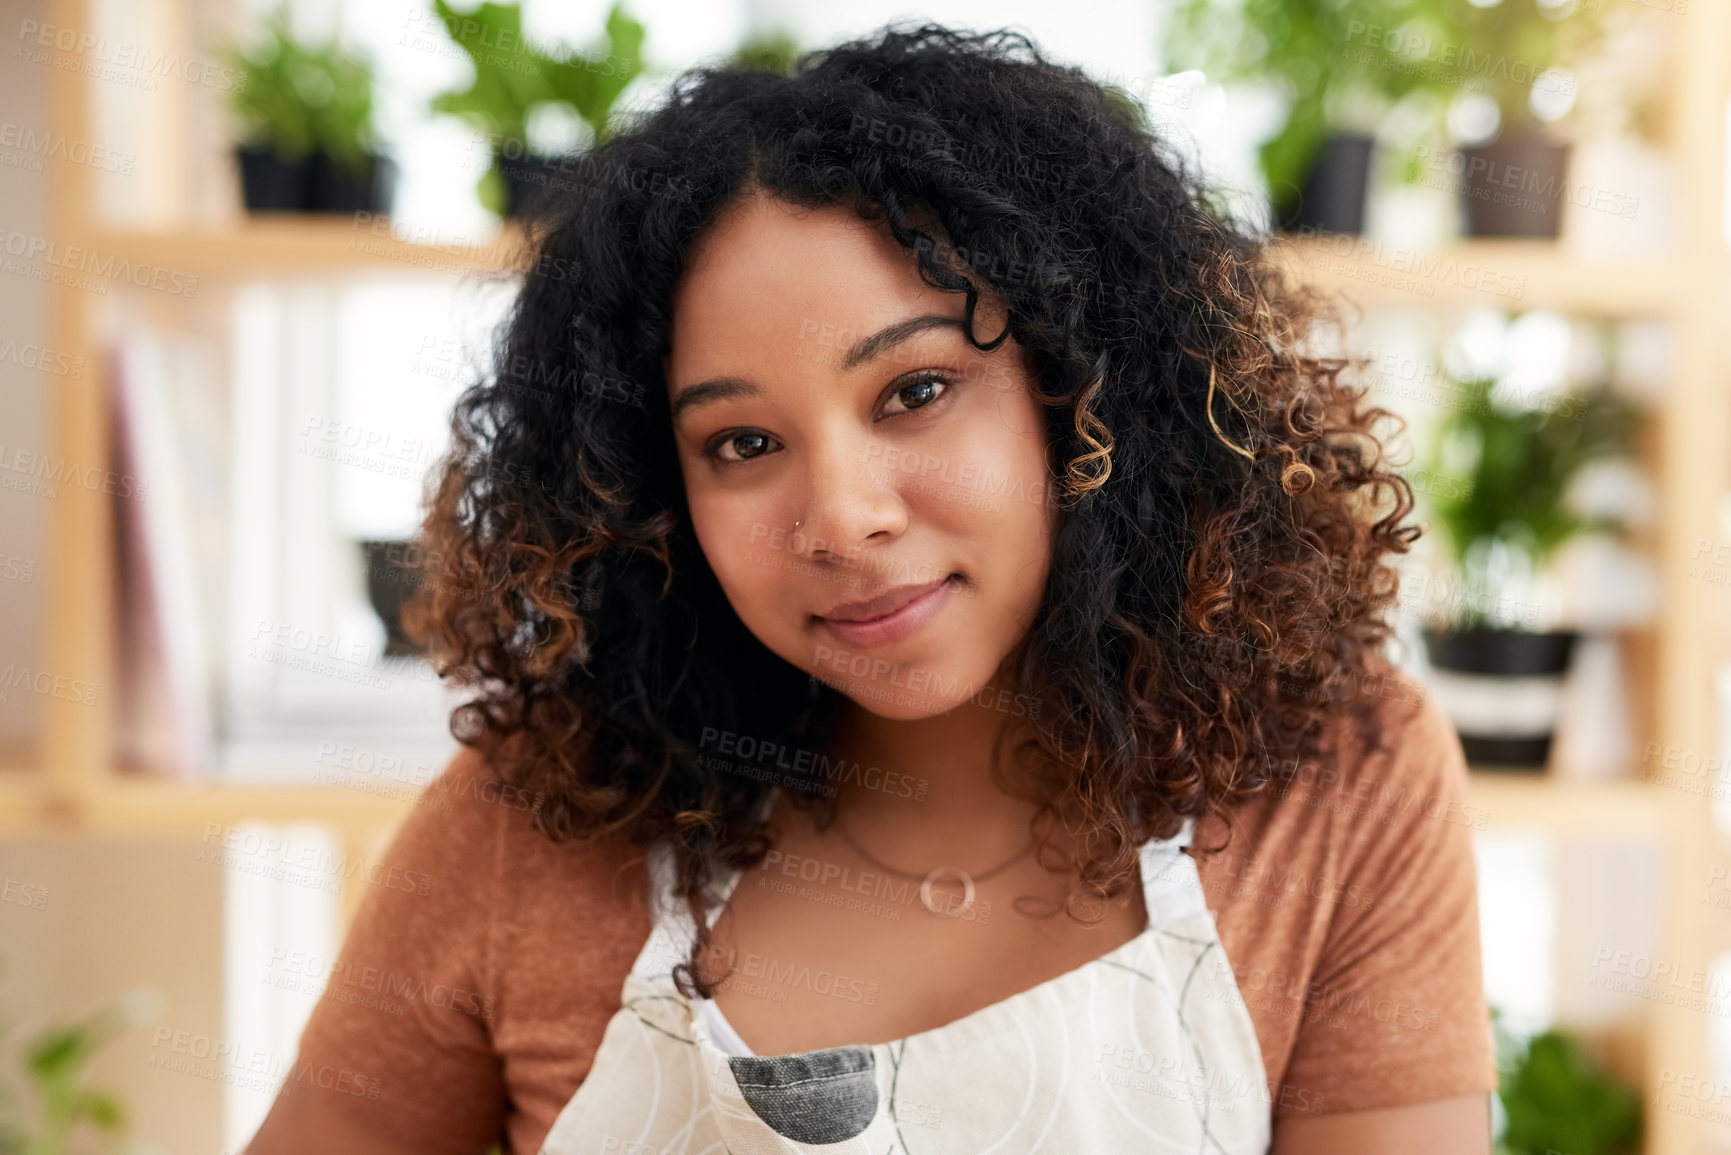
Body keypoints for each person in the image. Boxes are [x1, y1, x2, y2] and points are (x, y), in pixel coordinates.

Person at [247, 22, 1496, 1155]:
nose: (842, 520)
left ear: (1081, 394)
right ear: (650, 498)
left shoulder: (1338, 781)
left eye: (915, 391)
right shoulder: (531, 822)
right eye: (741, 444)